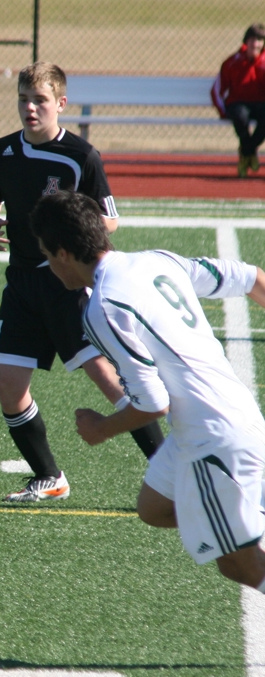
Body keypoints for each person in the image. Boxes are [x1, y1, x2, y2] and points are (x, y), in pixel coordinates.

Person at [30, 189, 265, 591]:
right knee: (153, 507)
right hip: (218, 420)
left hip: (212, 438)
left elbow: (154, 402)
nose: (50, 267)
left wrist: (101, 428)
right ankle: (242, 511)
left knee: (241, 567)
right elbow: (251, 278)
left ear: (64, 254)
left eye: (48, 257)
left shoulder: (103, 307)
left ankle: (244, 512)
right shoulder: (157, 260)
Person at [0, 61, 163, 503]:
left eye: (40, 100)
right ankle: (49, 476)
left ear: (60, 103)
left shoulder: (81, 156)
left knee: (108, 379)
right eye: (23, 99)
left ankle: (169, 467)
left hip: (67, 283)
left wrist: (71, 225)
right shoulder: (3, 151)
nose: (30, 108)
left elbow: (110, 220)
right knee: (8, 384)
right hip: (21, 283)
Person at [211, 24, 265, 179]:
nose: (256, 44)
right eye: (253, 40)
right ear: (246, 42)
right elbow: (217, 90)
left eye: (260, 40)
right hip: (238, 103)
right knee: (239, 116)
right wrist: (222, 111)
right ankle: (249, 153)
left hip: (260, 104)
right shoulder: (232, 62)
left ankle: (246, 152)